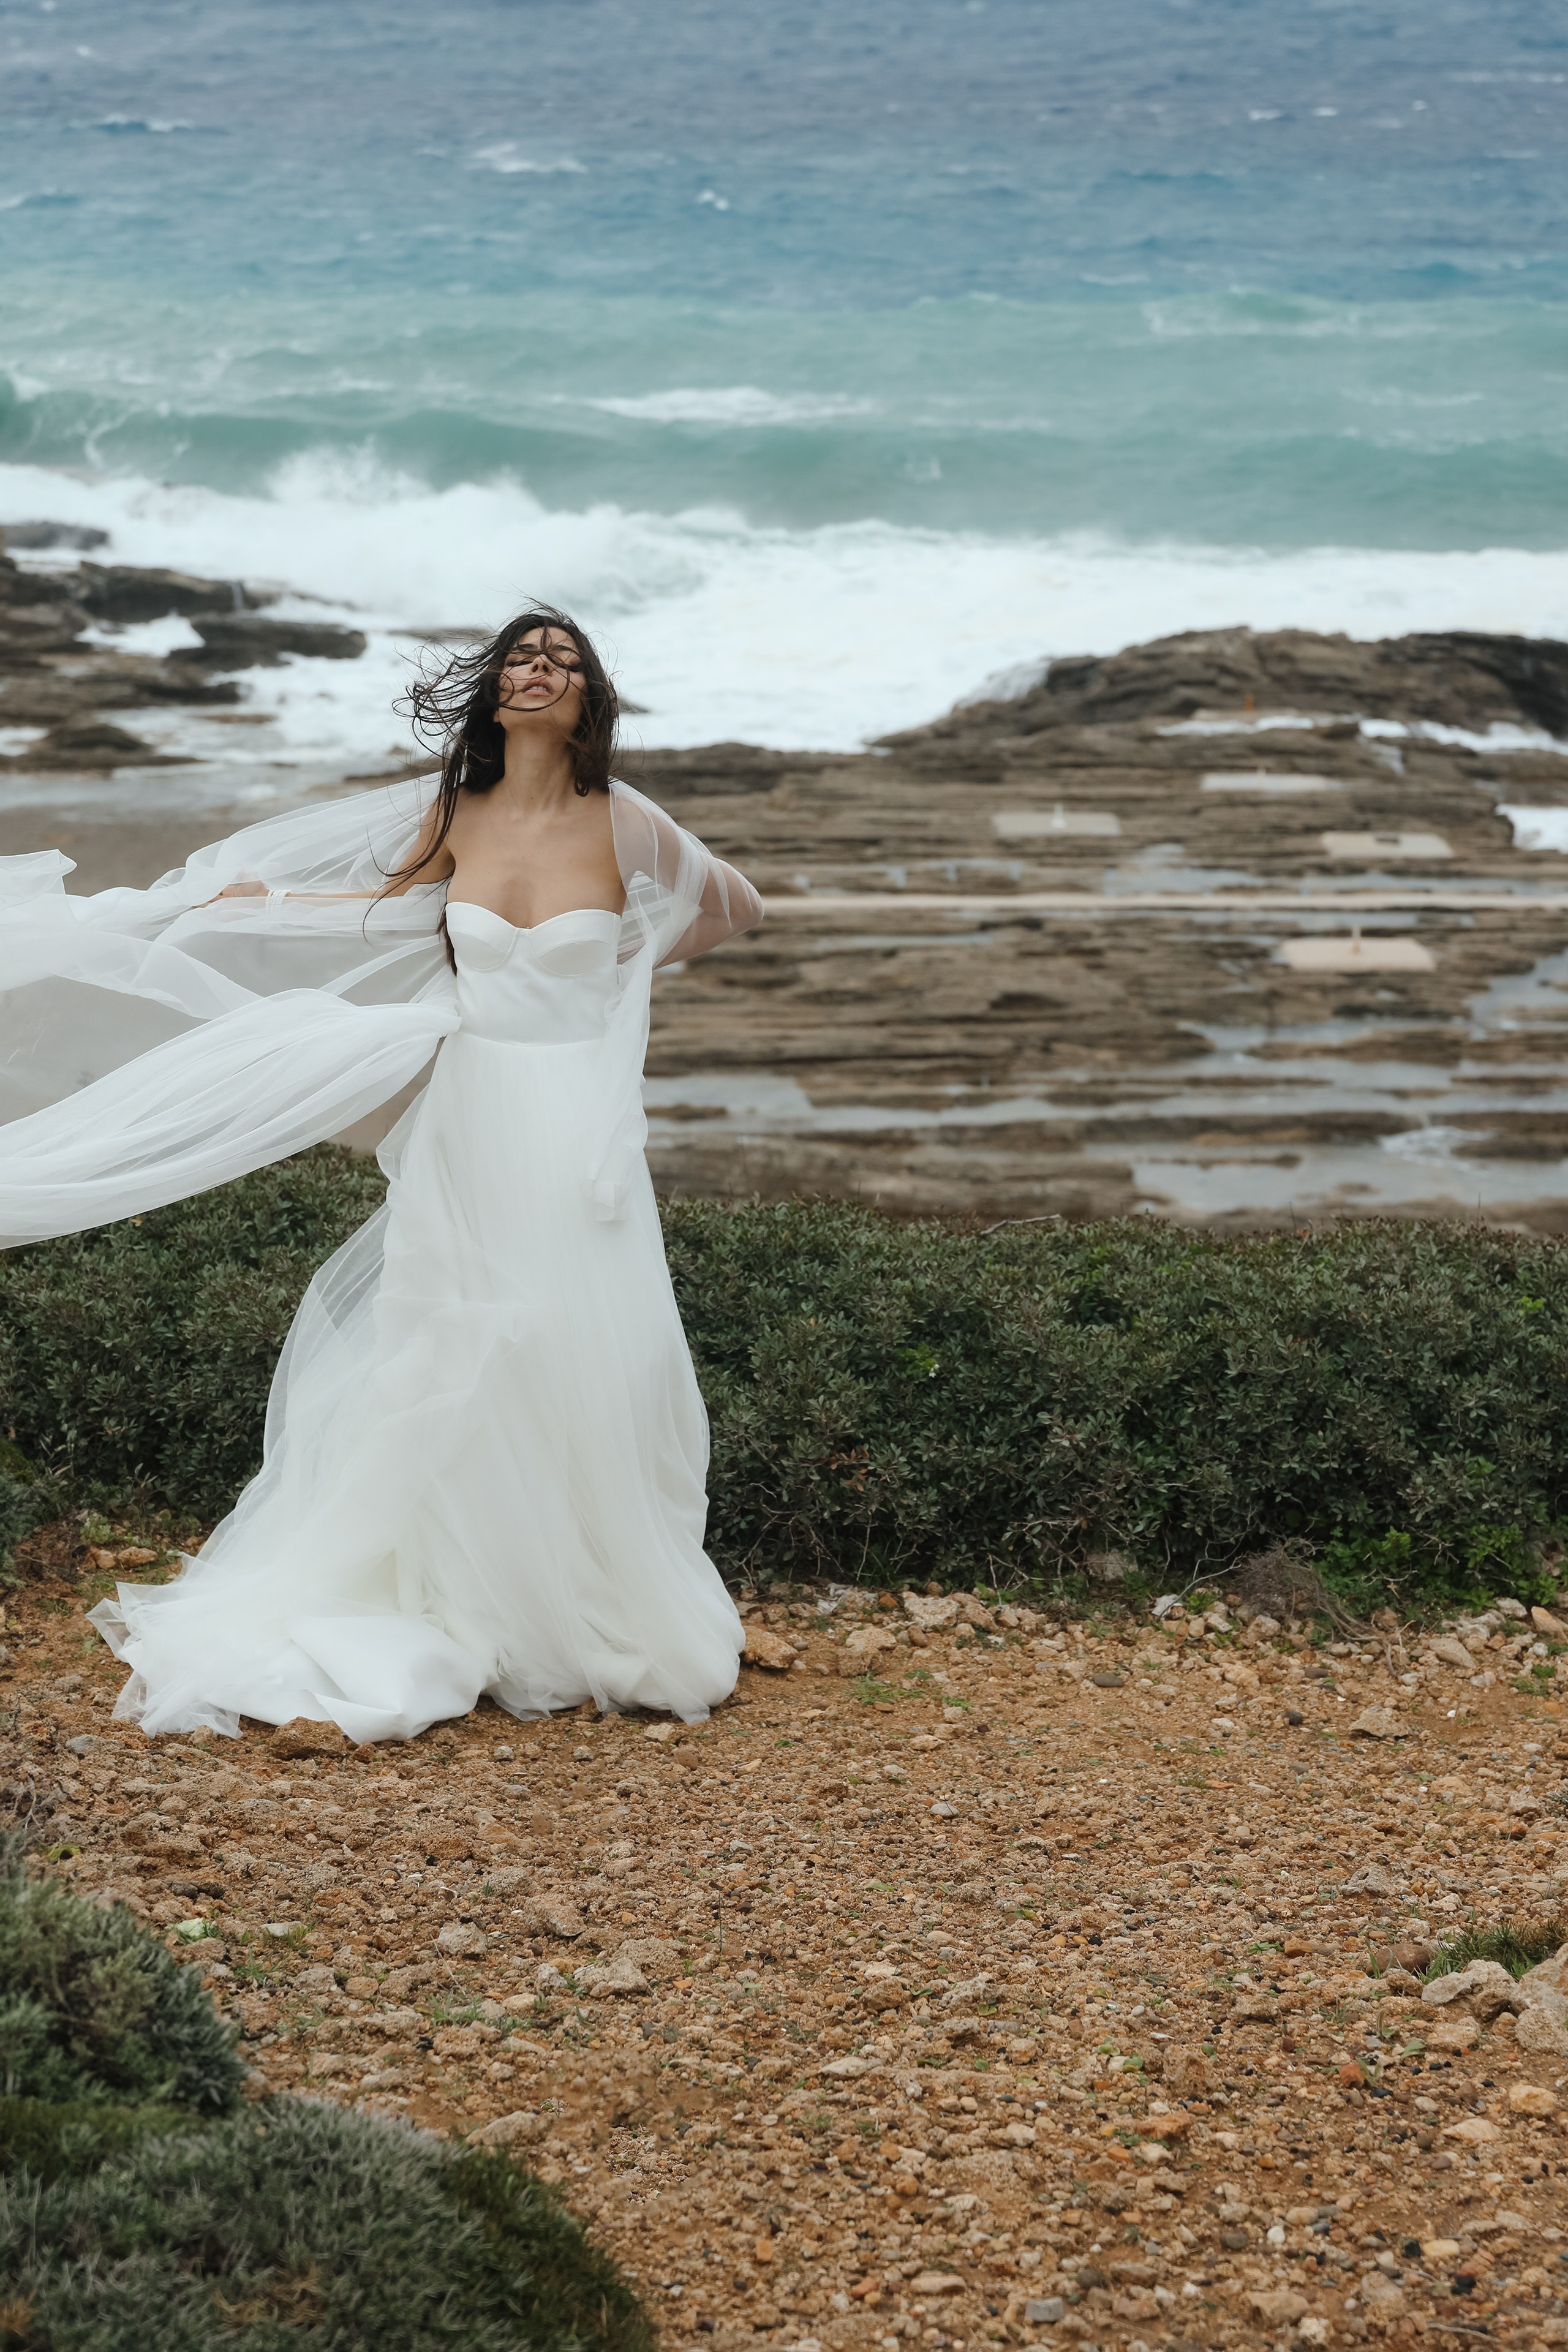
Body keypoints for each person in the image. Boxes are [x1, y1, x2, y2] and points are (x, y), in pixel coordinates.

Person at [0, 606, 762, 1740]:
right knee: (451, 1333)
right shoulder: (458, 807)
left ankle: (578, 1590)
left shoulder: (627, 821)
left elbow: (735, 907)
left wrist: (621, 974)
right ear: (497, 689)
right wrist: (265, 902)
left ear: (589, 695)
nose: (535, 670)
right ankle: (471, 1591)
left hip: (572, 1122)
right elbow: (384, 913)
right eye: (519, 658)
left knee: (579, 1338)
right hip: (473, 1108)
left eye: (559, 660)